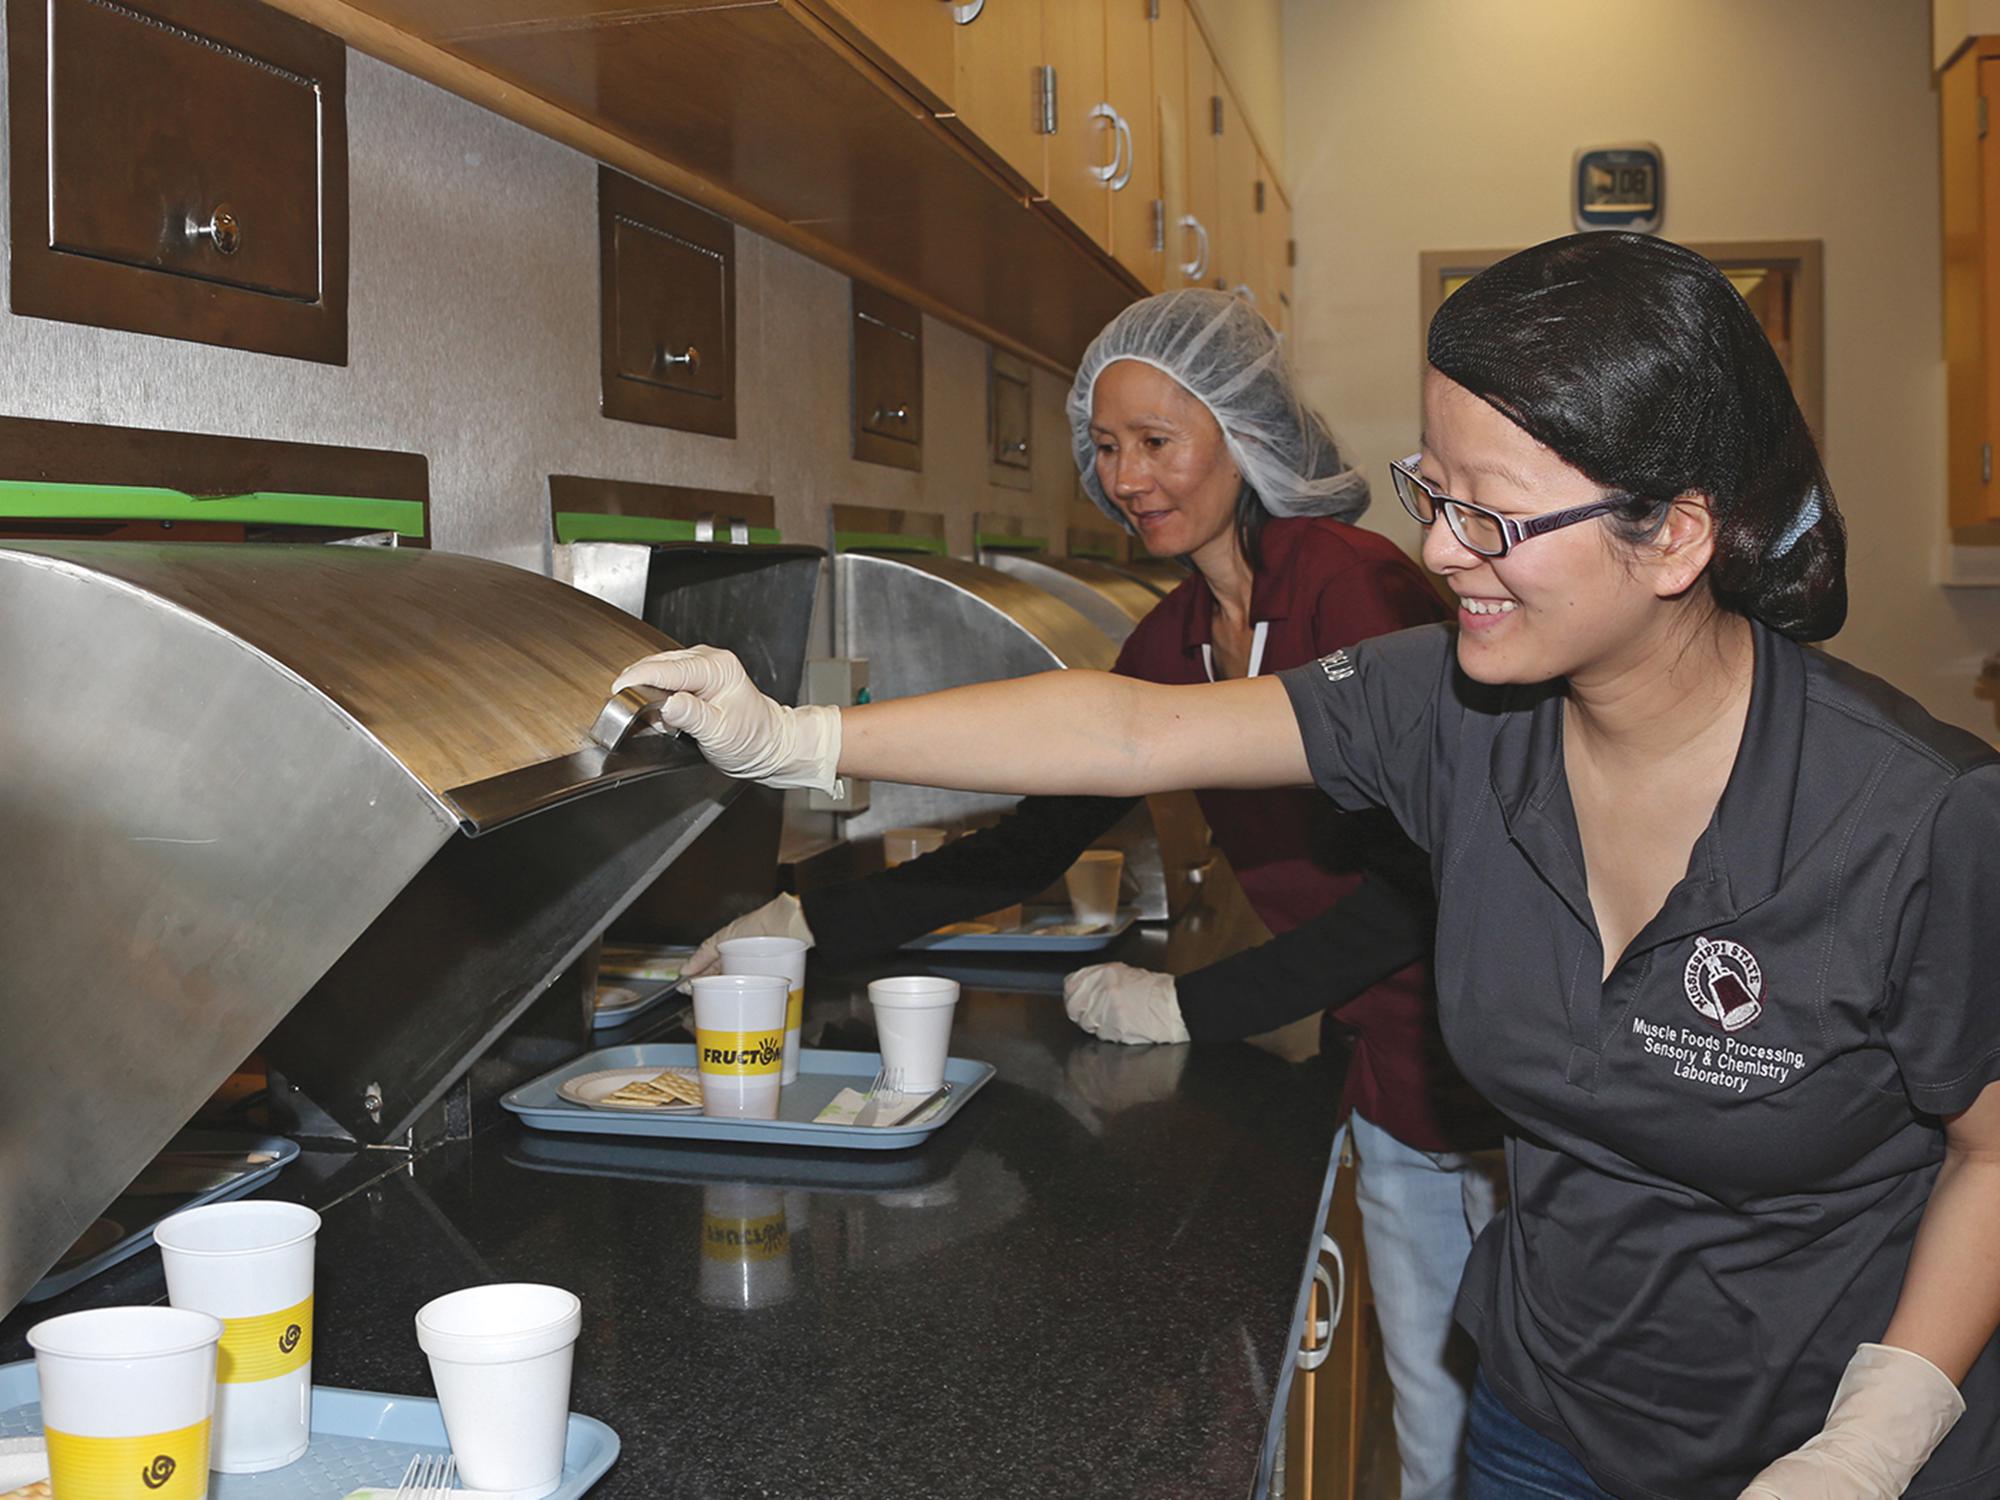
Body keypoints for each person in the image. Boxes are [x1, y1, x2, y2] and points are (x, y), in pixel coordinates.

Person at [613, 234, 2000, 1500]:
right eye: (1432, 494)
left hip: (1829, 1444)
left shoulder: (1909, 816)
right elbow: (1133, 723)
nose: (1441, 553)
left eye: (1494, 520)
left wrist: (1875, 1434)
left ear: (1678, 536)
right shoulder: (1454, 714)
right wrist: (795, 735)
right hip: (1547, 1428)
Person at [681, 288, 1505, 1500]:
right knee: (1434, 1407)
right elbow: (1030, 845)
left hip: (1478, 1059)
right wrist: (809, 917)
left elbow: (1427, 890)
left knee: (1514, 1407)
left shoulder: (1353, 587)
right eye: (1106, 447)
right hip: (1375, 1069)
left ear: (1242, 432)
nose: (1127, 476)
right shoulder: (1171, 639)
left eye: (1157, 442)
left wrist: (1194, 1009)